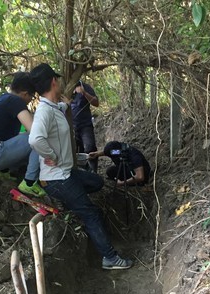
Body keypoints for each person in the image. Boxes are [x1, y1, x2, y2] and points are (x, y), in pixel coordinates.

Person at [28, 63, 133, 270]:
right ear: (53, 82)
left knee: (97, 181)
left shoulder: (52, 107)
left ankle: (73, 201)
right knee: (91, 214)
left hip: (67, 173)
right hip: (57, 178)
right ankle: (109, 258)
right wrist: (51, 155)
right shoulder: (43, 112)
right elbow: (35, 139)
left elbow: (60, 109)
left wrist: (66, 105)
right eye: (58, 80)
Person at [0, 72, 46, 197]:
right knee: (39, 138)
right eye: (32, 96)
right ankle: (29, 183)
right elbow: (34, 132)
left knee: (26, 138)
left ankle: (2, 171)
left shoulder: (3, 99)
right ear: (24, 93)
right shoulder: (15, 101)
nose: (30, 100)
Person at [71, 80, 99, 173]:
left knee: (90, 148)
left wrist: (84, 93)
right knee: (74, 151)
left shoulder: (85, 86)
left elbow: (96, 103)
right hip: (71, 127)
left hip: (85, 125)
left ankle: (93, 172)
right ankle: (79, 173)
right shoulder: (64, 87)